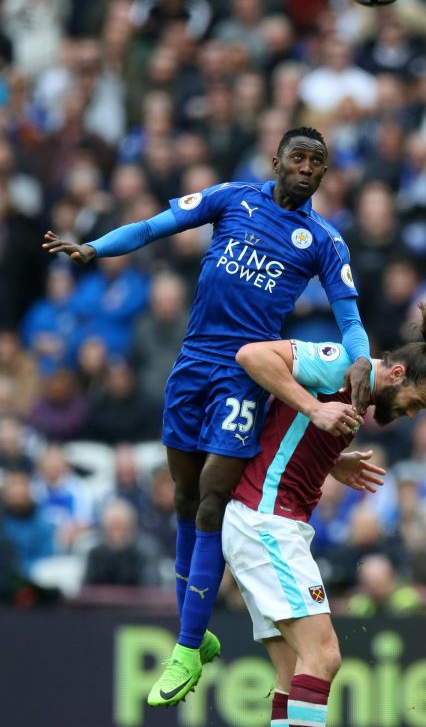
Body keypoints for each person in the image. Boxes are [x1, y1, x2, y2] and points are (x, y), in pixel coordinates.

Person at [42, 126, 372, 695]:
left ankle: (188, 648)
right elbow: (152, 228)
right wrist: (94, 247)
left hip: (245, 373)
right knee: (186, 497)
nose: (307, 168)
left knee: (213, 501)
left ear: (324, 173)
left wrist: (361, 358)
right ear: (276, 159)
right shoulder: (231, 198)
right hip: (192, 362)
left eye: (318, 162)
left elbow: (349, 317)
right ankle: (192, 632)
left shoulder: (323, 240)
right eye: (298, 156)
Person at [221, 303, 426, 727]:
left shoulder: (357, 395)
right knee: (323, 657)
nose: (410, 415)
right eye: (414, 404)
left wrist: (331, 459)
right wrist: (314, 415)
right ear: (396, 374)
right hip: (267, 521)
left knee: (289, 670)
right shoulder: (340, 362)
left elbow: (295, 430)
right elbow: (252, 356)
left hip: (266, 521)